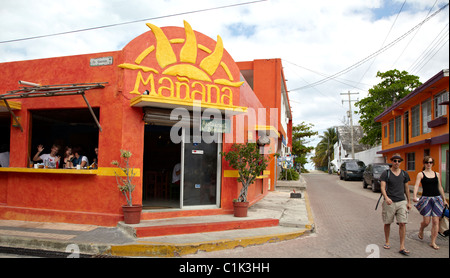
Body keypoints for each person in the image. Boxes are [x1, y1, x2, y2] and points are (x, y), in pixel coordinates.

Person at [413, 156, 448, 250]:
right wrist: (414, 196)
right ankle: (421, 229)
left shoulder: (437, 174)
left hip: (437, 199)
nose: (429, 164)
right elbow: (416, 185)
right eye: (427, 162)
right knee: (426, 221)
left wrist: (444, 199)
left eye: (431, 162)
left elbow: (440, 187)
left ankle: (433, 242)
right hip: (426, 199)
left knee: (436, 221)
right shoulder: (421, 174)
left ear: (433, 163)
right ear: (424, 163)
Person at [379, 153, 412, 256]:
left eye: (399, 161)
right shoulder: (386, 173)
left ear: (400, 162)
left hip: (402, 201)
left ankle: (402, 246)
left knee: (402, 223)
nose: (397, 163)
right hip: (390, 201)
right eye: (395, 161)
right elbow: (382, 187)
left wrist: (409, 202)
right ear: (392, 162)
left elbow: (406, 189)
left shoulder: (404, 174)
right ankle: (387, 241)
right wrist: (387, 198)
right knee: (387, 222)